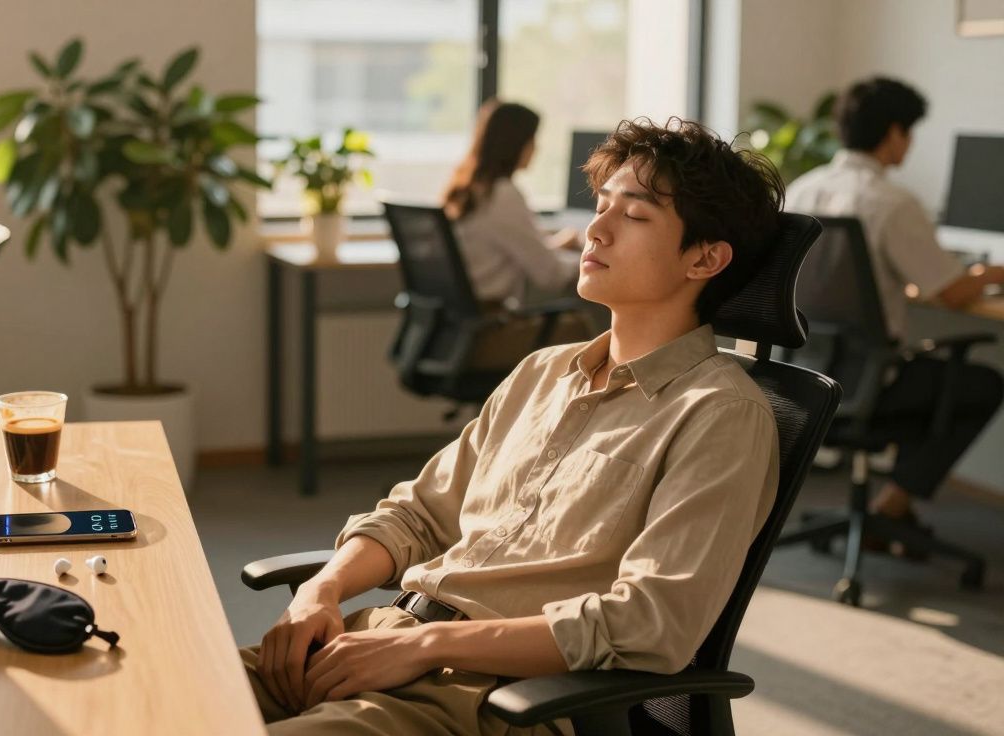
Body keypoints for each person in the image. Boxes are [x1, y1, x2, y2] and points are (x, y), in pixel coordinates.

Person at [242, 117, 785, 735]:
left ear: (705, 258)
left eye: (634, 216)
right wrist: (322, 589)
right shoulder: (542, 372)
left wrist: (427, 647)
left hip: (486, 697)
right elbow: (418, 516)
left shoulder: (719, 415)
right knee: (162, 690)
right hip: (382, 638)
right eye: (601, 207)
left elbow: (650, 622)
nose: (596, 230)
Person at [785, 76, 1004, 540]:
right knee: (982, 383)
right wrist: (994, 273)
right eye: (910, 133)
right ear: (893, 133)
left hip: (808, 371)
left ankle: (892, 512)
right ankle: (892, 505)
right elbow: (952, 293)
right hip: (872, 381)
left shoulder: (803, 189)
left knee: (936, 379)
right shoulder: (892, 203)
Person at [440, 100, 597, 370]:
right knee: (583, 328)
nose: (536, 148)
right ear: (516, 144)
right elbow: (550, 276)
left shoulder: (470, 188)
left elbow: (502, 252)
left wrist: (554, 248)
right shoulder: (503, 195)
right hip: (488, 332)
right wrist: (594, 258)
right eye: (533, 140)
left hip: (456, 332)